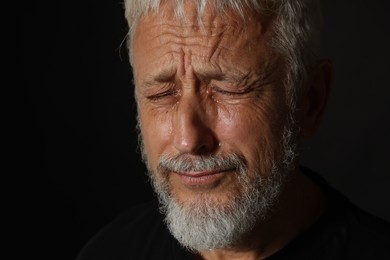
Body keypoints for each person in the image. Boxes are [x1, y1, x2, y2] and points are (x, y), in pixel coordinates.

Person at [76, 0, 390, 259]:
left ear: (310, 99)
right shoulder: (108, 251)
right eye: (161, 94)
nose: (188, 139)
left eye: (227, 89)